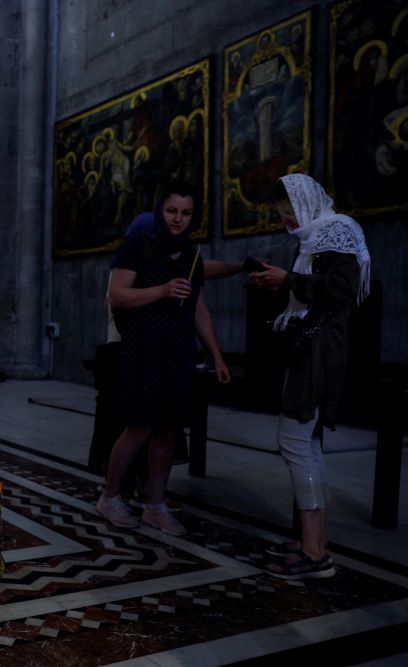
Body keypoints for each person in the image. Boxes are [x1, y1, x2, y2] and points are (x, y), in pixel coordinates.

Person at [249, 174, 370, 580]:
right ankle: (313, 542)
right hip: (309, 347)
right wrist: (280, 283)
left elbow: (342, 286)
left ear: (305, 203)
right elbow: (310, 293)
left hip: (320, 351)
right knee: (305, 443)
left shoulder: (338, 230)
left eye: (288, 213)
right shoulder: (315, 237)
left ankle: (315, 551)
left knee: (297, 442)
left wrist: (288, 280)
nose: (285, 222)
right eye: (281, 215)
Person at [96, 181, 231, 536]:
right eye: (172, 211)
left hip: (179, 351)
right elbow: (117, 296)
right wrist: (161, 290)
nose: (178, 219)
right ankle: (110, 497)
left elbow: (199, 308)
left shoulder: (191, 255)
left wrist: (216, 355)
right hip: (143, 349)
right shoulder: (139, 246)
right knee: (138, 427)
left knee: (169, 429)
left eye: (186, 213)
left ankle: (155, 505)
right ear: (160, 209)